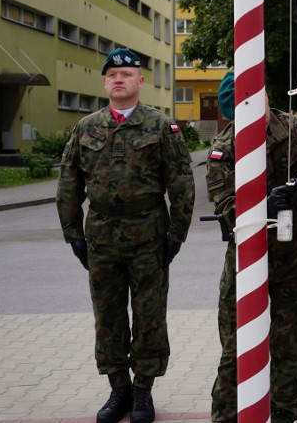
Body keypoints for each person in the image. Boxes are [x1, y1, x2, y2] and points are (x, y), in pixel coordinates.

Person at [56, 48, 195, 423]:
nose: (119, 79)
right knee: (108, 315)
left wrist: (176, 234)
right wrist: (73, 233)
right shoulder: (86, 128)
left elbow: (181, 182)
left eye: (127, 74)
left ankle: (143, 391)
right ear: (104, 81)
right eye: (113, 74)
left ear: (140, 81)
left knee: (150, 315)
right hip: (101, 236)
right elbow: (69, 183)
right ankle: (118, 389)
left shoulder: (161, 126)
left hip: (148, 234)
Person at [206, 71, 297, 423]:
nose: (253, 105)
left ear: (267, 95)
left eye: (256, 96)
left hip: (293, 254)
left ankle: (284, 415)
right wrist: (261, 206)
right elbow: (226, 206)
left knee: (287, 343)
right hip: (246, 259)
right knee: (236, 348)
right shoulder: (224, 149)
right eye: (242, 100)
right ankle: (226, 416)